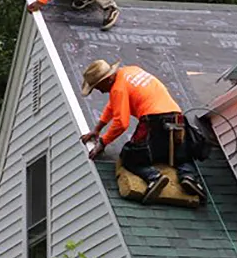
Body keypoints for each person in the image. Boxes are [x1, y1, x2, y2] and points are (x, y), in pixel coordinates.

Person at [80, 60, 206, 204]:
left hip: (154, 121)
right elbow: (113, 105)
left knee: (130, 156)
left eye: (98, 86)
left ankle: (153, 177)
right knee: (180, 154)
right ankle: (189, 177)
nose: (99, 91)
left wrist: (103, 142)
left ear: (107, 79)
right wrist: (97, 129)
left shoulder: (118, 88)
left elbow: (121, 123)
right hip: (177, 118)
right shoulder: (131, 70)